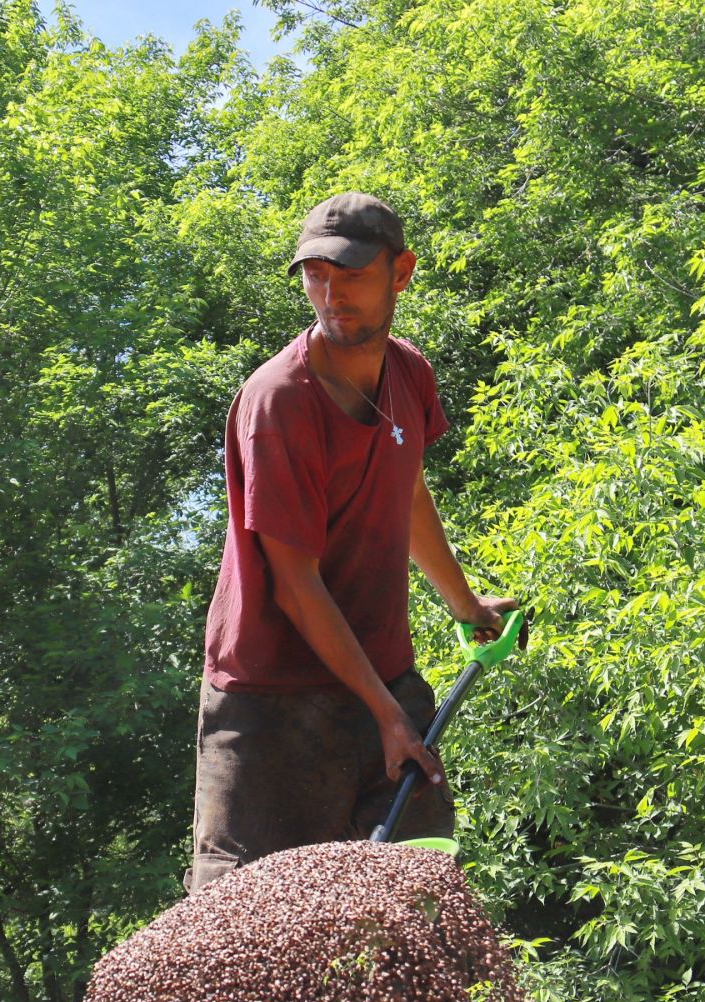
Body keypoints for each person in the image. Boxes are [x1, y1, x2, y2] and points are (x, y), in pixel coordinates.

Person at [187, 191, 518, 893]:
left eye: (351, 276)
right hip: (270, 700)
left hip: (379, 677)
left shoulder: (408, 373)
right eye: (315, 276)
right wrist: (388, 715)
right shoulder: (280, 401)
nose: (330, 295)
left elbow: (407, 491)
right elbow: (295, 586)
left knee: (415, 892)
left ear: (402, 273)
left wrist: (463, 604)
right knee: (247, 917)